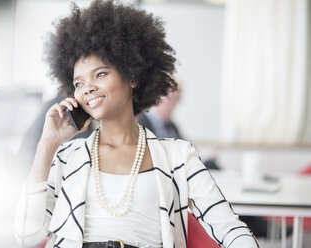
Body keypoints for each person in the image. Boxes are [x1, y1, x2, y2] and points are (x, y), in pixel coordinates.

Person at [14, 1, 260, 247]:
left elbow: (231, 230)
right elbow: (28, 236)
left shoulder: (178, 156)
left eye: (100, 74)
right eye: (78, 83)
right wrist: (47, 144)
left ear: (131, 75)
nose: (87, 88)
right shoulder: (68, 156)